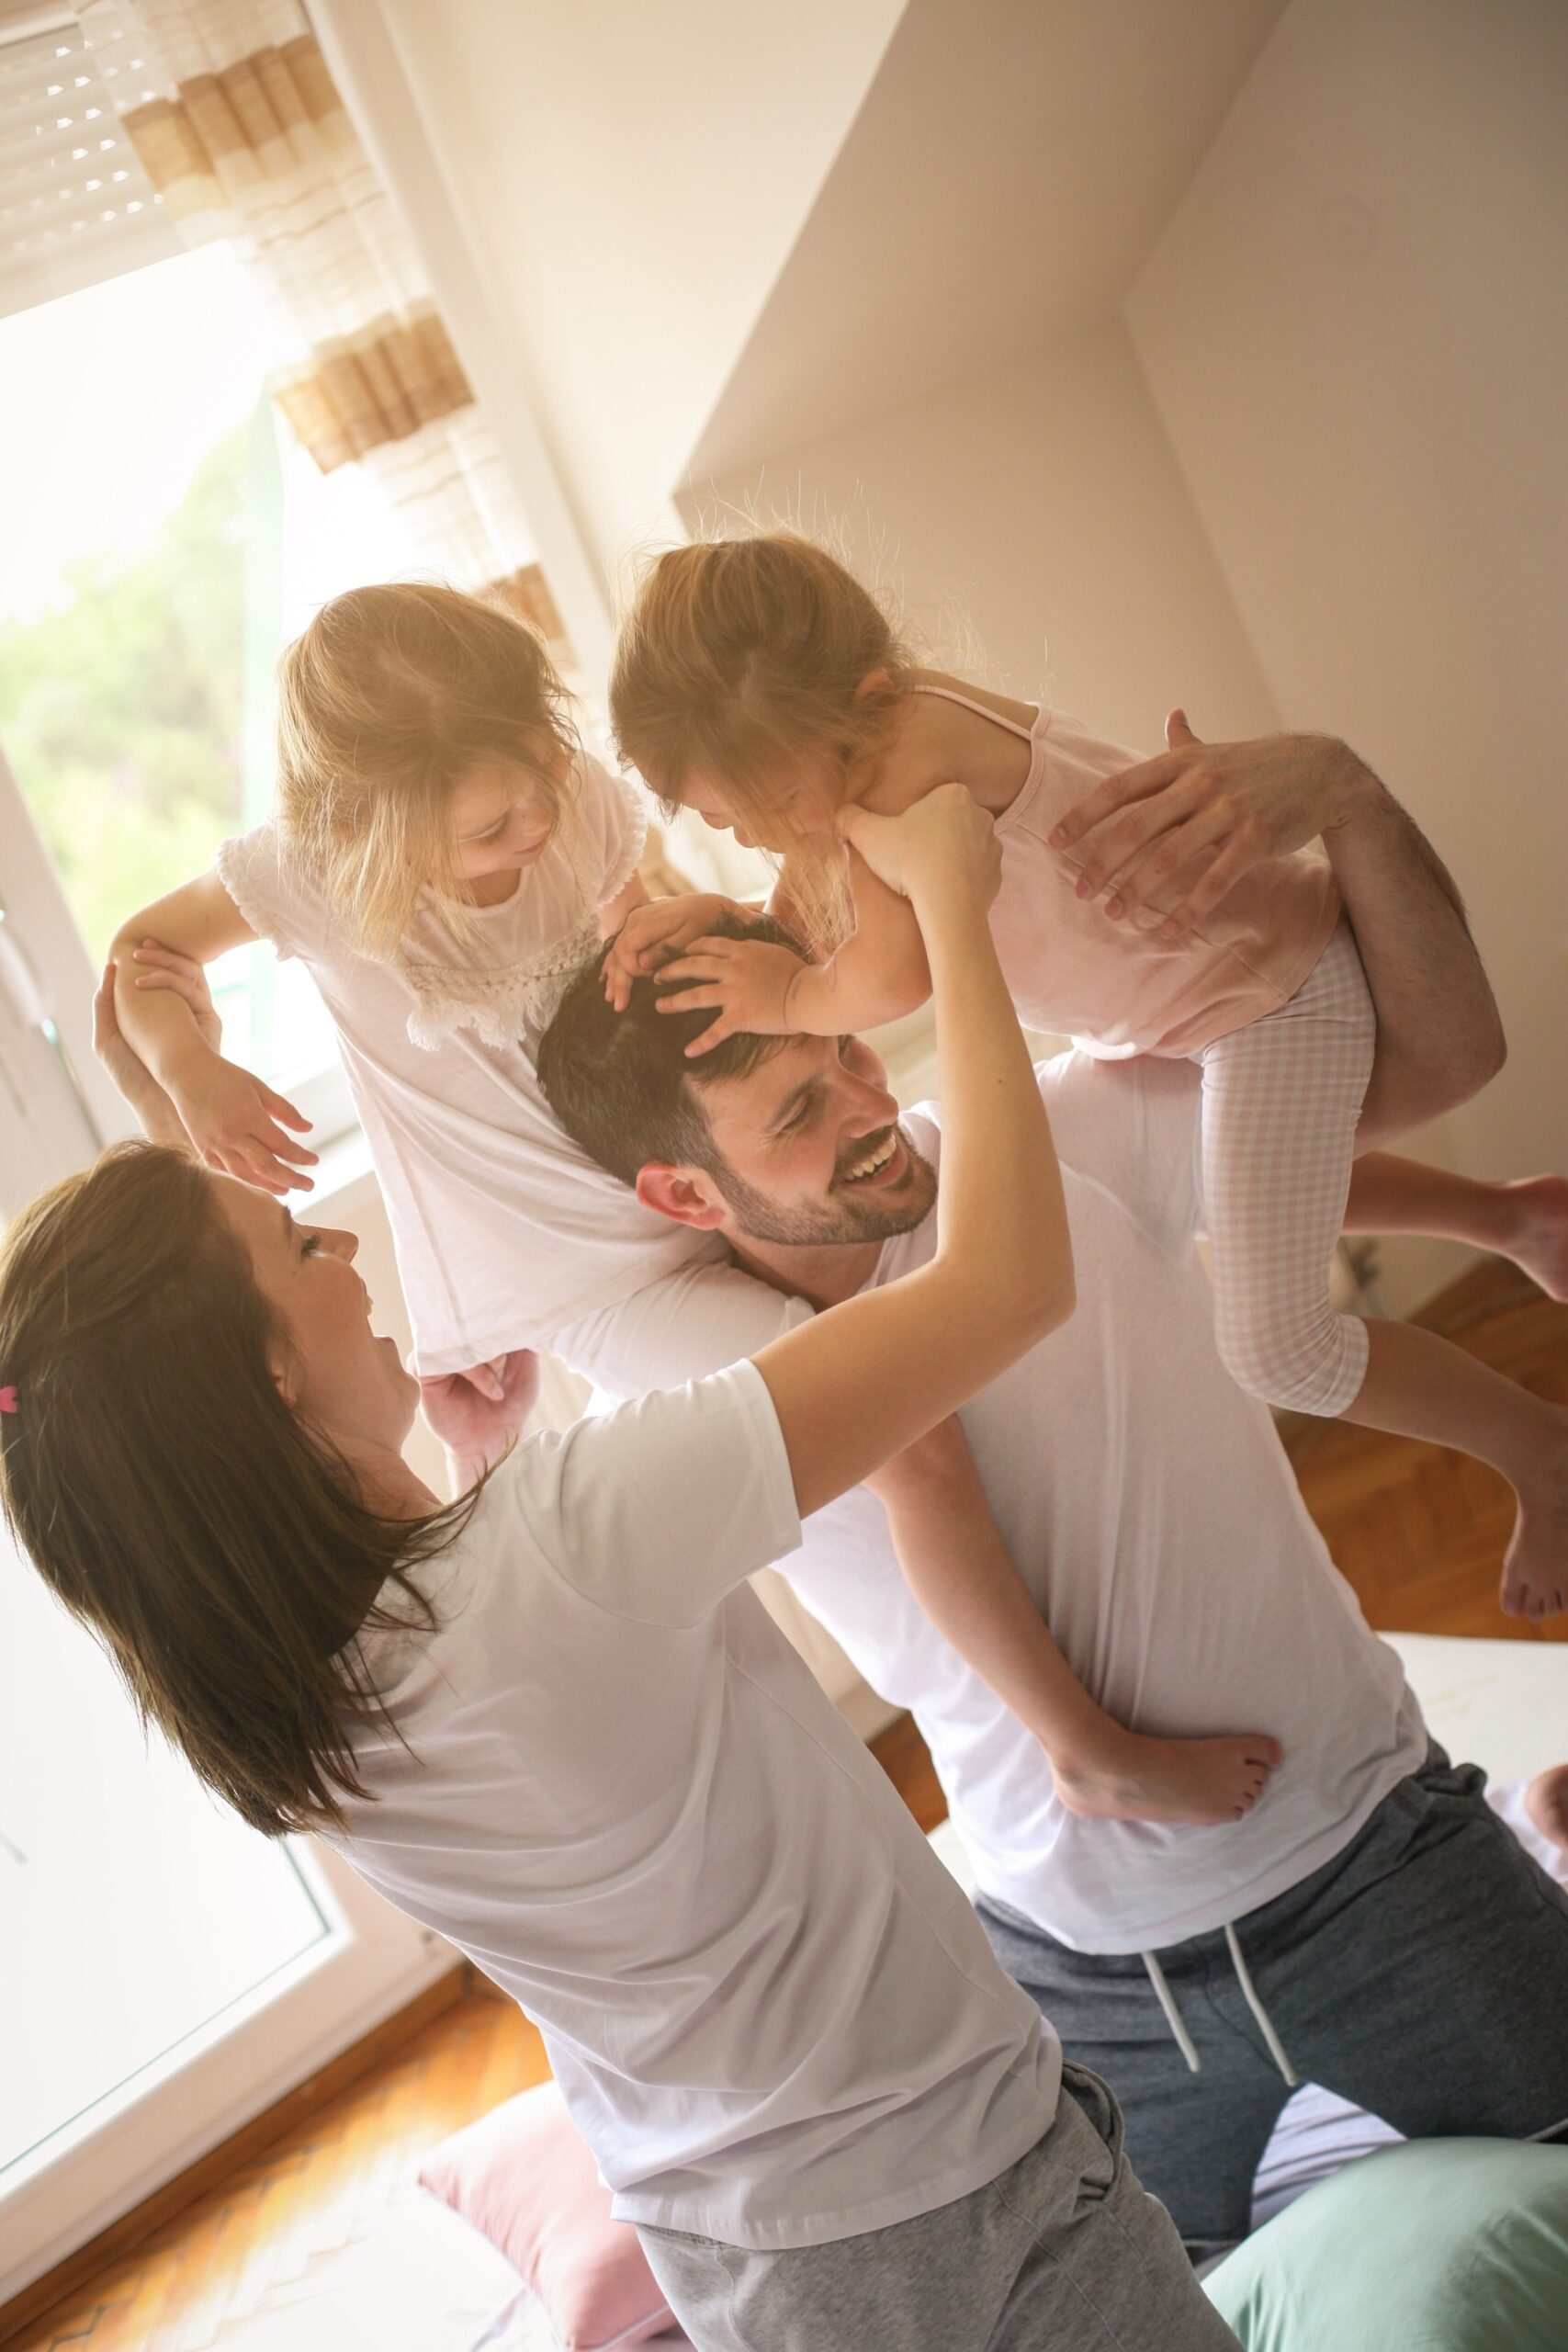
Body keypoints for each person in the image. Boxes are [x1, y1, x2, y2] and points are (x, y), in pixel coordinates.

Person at [2, 792, 1244, 2352]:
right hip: (951, 2190)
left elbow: (537, 1722)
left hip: (744, 2257)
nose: (343, 1249)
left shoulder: (279, 1693)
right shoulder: (572, 1539)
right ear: (265, 1379)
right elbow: (1005, 1284)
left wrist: (469, 1470)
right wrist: (950, 923)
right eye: (295, 1247)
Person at [535, 782, 1568, 2258]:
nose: (865, 1103)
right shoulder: (686, 1372)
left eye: (843, 1047)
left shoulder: (1050, 1141)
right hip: (1083, 1974)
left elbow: (1300, 1128)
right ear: (677, 1190)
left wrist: (1493, 1217)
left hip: (1368, 1857)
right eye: (795, 1110)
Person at [111, 582, 1212, 1831]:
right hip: (594, 1286)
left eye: (538, 775)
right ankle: (1077, 1744)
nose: (533, 822)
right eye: (488, 827)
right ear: (374, 827)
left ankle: (1105, 1636)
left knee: (958, 1310)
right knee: (909, 1440)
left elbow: (632, 902)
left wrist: (665, 914)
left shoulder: (568, 807)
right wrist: (191, 1069)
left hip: (689, 1189)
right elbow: (145, 957)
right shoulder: (307, 877)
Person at [603, 533, 1567, 1703]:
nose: (760, 837)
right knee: (1217, 1169)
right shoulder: (875, 745)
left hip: (1264, 999)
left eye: (765, 807)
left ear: (851, 707)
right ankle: (1515, 1219)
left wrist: (790, 993)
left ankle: (1538, 1447)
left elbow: (895, 968)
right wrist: (724, 906)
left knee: (1278, 1348)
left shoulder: (902, 767)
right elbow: (837, 887)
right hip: (1189, 1013)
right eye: (728, 823)